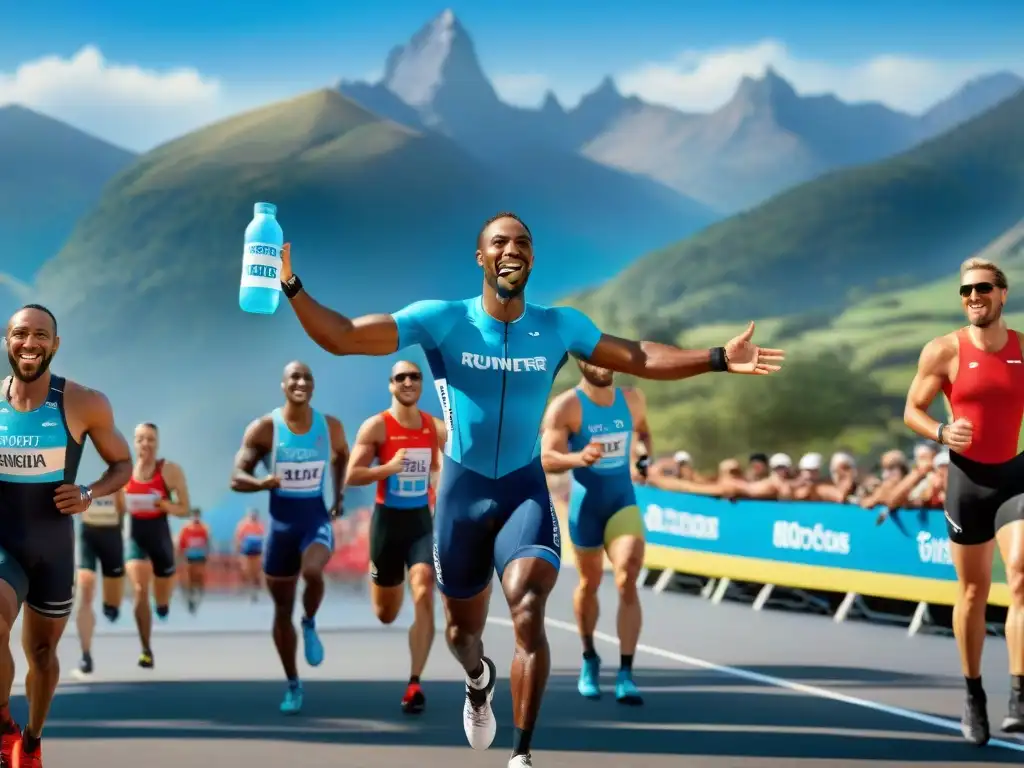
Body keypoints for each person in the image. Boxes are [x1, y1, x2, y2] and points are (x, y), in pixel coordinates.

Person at [274, 212, 784, 767]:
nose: (511, 250)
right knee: (462, 634)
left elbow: (637, 356)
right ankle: (477, 680)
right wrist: (291, 286)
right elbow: (343, 337)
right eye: (499, 242)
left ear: (532, 257)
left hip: (523, 491)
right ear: (481, 258)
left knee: (528, 602)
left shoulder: (560, 326)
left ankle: (521, 755)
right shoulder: (441, 320)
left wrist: (714, 358)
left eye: (522, 242)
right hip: (462, 498)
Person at [0, 304, 132, 767]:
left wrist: (89, 491)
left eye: (40, 336)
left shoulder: (82, 401)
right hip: (3, 545)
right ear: (6, 340)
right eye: (20, 334)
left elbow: (123, 465)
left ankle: (32, 740)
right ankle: (3, 726)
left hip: (52, 549)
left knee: (42, 654)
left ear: (55, 345)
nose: (29, 344)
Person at [903, 257, 1024, 745]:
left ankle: (1019, 692)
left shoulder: (1021, 350)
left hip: (1017, 476)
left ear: (1002, 294)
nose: (972, 297)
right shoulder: (943, 350)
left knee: (1020, 574)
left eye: (981, 289)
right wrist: (941, 431)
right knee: (973, 593)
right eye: (965, 291)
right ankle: (974, 694)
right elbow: (912, 409)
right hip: (968, 482)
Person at [229, 361, 348, 714]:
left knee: (312, 572)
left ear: (313, 386)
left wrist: (338, 497)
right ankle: (293, 684)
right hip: (280, 528)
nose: (301, 382)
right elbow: (236, 476)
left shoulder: (331, 427)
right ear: (283, 385)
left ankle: (310, 621)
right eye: (294, 377)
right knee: (281, 610)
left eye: (307, 377)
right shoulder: (265, 429)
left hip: (314, 520)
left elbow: (342, 456)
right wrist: (260, 482)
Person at [540, 360, 651, 704]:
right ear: (581, 362)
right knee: (589, 583)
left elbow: (643, 431)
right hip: (586, 508)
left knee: (627, 575)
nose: (602, 365)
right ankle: (589, 657)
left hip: (623, 502)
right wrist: (579, 459)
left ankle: (626, 673)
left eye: (608, 358)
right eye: (594, 358)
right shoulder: (567, 406)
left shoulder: (632, 399)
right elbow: (546, 457)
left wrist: (643, 457)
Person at [347, 359, 446, 714]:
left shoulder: (435, 429)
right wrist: (389, 468)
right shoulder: (376, 427)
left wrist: (440, 479)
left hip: (421, 522)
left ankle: (414, 682)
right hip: (387, 525)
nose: (408, 381)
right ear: (391, 385)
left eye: (414, 376)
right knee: (386, 613)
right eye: (400, 377)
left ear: (421, 384)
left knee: (423, 586)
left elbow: (448, 468)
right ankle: (388, 587)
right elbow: (352, 475)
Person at [123, 422, 191, 669]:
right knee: (140, 589)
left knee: (161, 600)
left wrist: (165, 505)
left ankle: (162, 606)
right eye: (141, 439)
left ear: (157, 442)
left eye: (150, 439)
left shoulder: (170, 471)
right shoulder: (124, 472)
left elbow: (185, 508)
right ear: (134, 442)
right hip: (135, 537)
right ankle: (146, 649)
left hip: (160, 537)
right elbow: (114, 508)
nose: (146, 444)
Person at [74, 493, 125, 678]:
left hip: (112, 533)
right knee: (85, 587)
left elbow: (124, 506)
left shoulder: (119, 466)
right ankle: (86, 654)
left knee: (112, 604)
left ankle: (111, 605)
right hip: (88, 532)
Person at [177, 508, 210, 614]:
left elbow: (207, 543)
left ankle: (197, 597)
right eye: (194, 515)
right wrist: (180, 557)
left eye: (197, 515)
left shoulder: (204, 528)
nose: (195, 517)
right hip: (189, 558)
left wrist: (207, 555)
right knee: (188, 580)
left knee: (199, 580)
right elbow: (181, 544)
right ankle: (190, 599)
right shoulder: (186, 529)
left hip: (200, 558)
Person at [235, 509, 266, 601]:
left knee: (257, 574)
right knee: (247, 573)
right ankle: (251, 592)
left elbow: (263, 539)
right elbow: (238, 539)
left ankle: (254, 592)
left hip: (257, 554)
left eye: (255, 515)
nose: (253, 516)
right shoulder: (243, 525)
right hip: (246, 554)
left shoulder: (260, 526)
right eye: (252, 515)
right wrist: (239, 551)